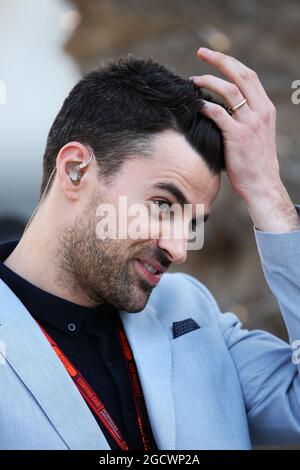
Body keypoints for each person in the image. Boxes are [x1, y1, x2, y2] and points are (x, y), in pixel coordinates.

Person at [0, 47, 300, 450]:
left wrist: (269, 196)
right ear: (75, 170)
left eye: (193, 224)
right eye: (163, 206)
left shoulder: (191, 311)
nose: (179, 249)